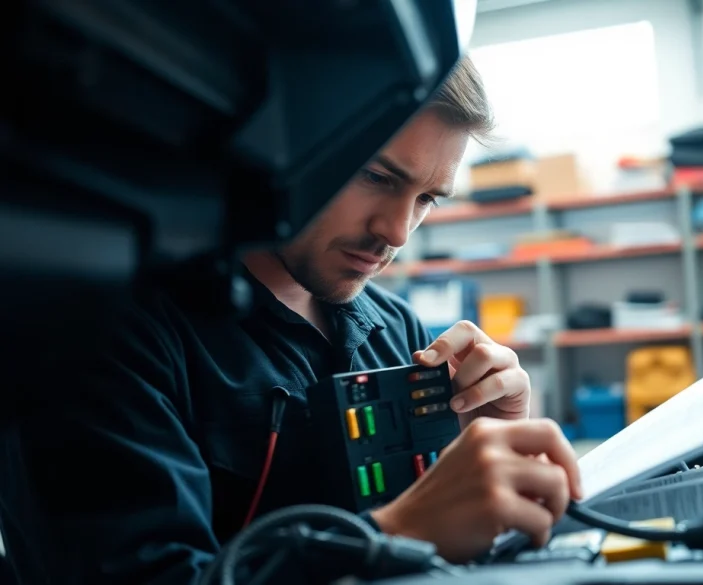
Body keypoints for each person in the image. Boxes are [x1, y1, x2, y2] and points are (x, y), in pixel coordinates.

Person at [23, 58, 583, 585]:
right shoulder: (116, 334)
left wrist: (493, 459)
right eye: (376, 176)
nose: (396, 231)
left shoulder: (401, 334)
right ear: (283, 149)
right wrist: (390, 537)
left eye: (426, 199)